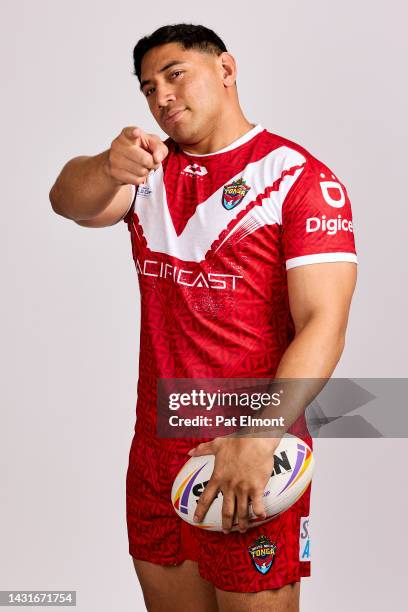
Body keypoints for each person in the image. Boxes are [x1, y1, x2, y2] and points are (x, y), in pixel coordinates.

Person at [49, 23, 357, 612]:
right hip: (156, 453)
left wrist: (259, 437)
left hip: (250, 445)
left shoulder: (297, 177)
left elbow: (325, 323)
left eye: (174, 74)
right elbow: (66, 200)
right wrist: (109, 165)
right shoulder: (147, 172)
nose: (160, 96)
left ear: (226, 69)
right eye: (147, 88)